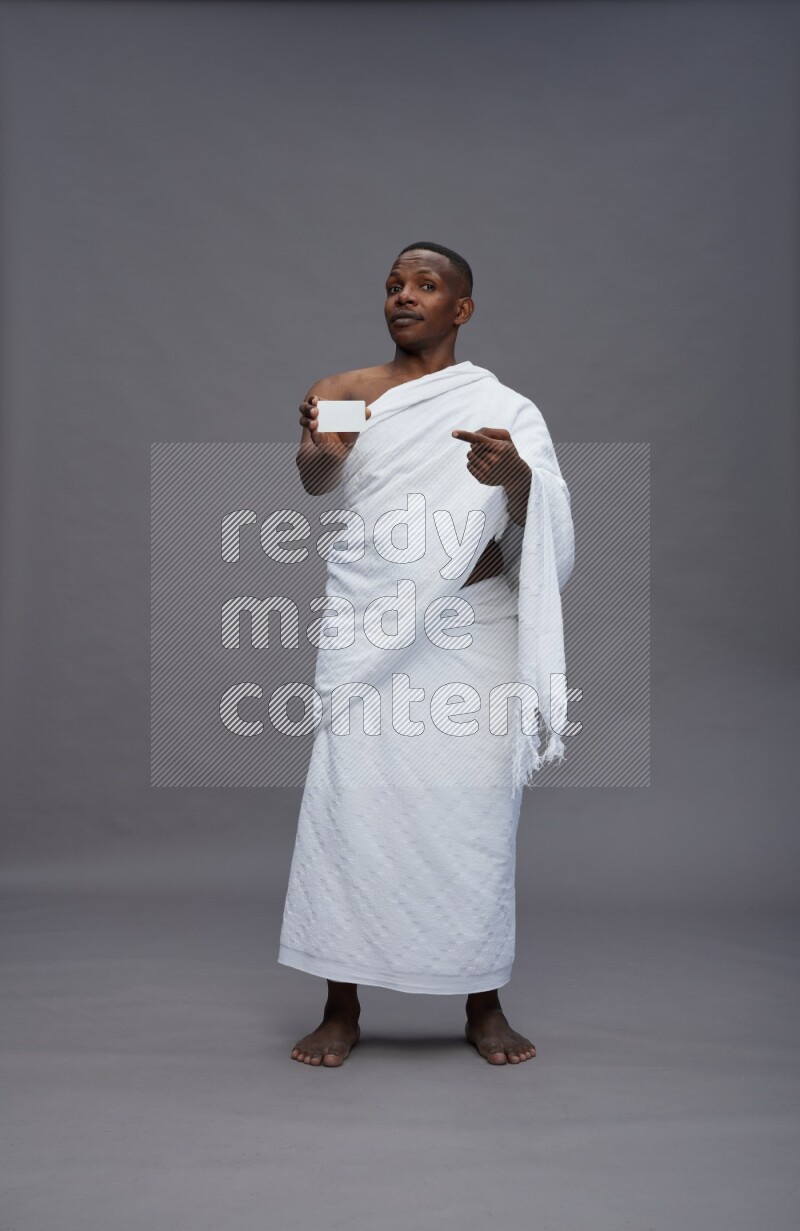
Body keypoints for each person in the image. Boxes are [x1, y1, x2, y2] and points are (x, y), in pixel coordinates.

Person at [278, 242, 574, 1066]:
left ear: (461, 309)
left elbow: (538, 514)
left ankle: (483, 1001)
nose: (404, 296)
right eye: (394, 285)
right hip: (372, 621)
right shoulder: (345, 392)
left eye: (426, 285)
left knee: (475, 811)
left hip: (472, 623)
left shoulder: (504, 408)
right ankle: (341, 1004)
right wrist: (322, 451)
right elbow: (316, 479)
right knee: (351, 807)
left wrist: (511, 475)